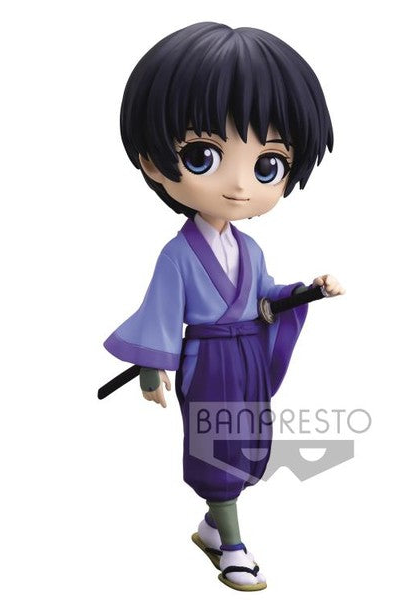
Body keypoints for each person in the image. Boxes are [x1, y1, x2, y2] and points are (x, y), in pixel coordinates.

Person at [103, 22, 344, 591]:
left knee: (250, 442)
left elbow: (265, 299)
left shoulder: (250, 248)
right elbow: (161, 313)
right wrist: (150, 369)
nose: (239, 185)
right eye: (203, 155)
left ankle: (214, 527)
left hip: (248, 359)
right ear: (154, 161)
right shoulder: (177, 255)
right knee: (217, 447)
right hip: (209, 363)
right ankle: (231, 544)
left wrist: (308, 290)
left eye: (267, 165)